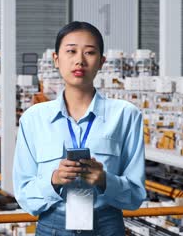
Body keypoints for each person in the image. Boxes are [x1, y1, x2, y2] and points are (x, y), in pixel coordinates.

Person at [13, 21, 146, 235]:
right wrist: (54, 181)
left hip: (106, 226)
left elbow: (136, 195)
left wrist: (105, 180)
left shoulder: (125, 115)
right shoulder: (33, 119)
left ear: (101, 62)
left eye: (90, 53)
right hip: (53, 227)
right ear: (56, 59)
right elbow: (24, 195)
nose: (79, 61)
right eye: (71, 51)